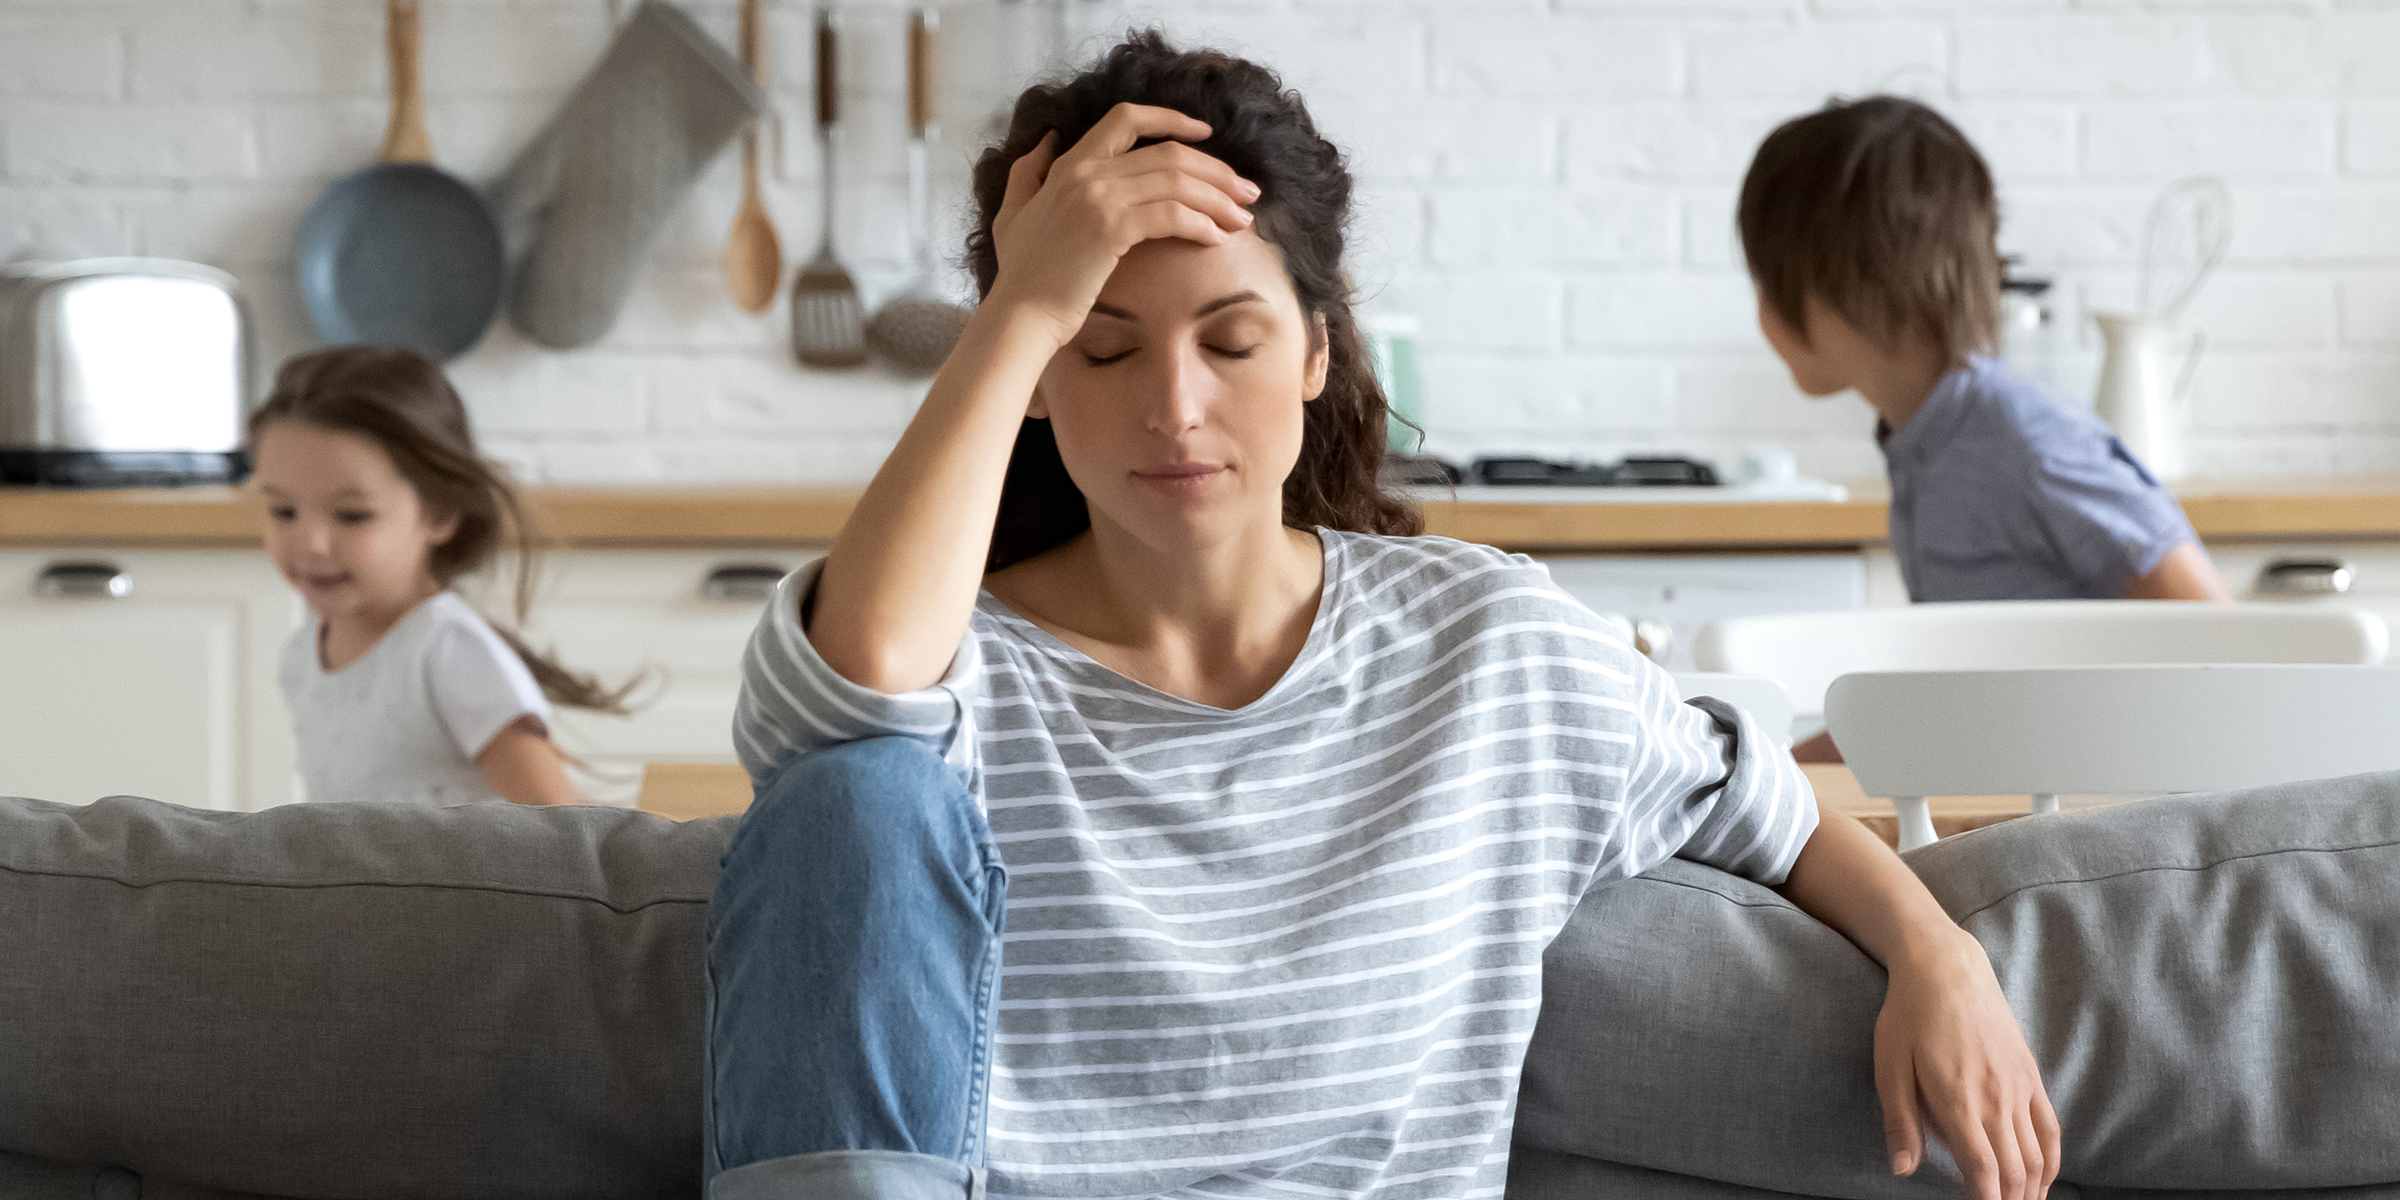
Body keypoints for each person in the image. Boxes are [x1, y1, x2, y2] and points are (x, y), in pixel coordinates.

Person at [706, 33, 2059, 1200]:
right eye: (1103, 346)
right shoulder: (949, 670)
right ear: (1037, 379)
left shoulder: (1487, 652)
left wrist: (1938, 954)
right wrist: (1025, 299)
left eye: (1228, 342)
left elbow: (1757, 797)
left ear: (1313, 352)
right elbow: (853, 703)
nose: (1173, 407)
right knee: (850, 791)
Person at [1739, 95, 2227, 607]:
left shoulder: (2029, 442)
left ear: (1853, 286)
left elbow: (2210, 624)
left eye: (1768, 283)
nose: (1761, 312)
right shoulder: (1922, 439)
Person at [248, 346, 631, 807]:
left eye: (351, 515)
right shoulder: (304, 649)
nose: (310, 542)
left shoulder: (449, 651)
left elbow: (566, 827)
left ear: (440, 513)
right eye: (282, 510)